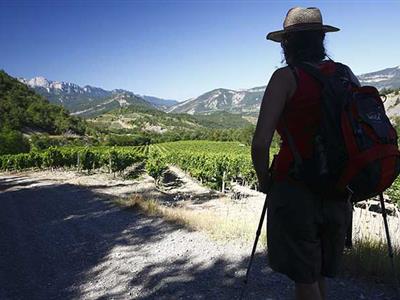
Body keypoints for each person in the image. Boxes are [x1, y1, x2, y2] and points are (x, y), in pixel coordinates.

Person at [251, 7, 360, 300]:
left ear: (287, 44)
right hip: (338, 185)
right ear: (321, 39)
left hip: (296, 185)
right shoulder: (345, 74)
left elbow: (261, 143)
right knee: (320, 270)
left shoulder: (285, 78)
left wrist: (264, 180)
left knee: (304, 276)